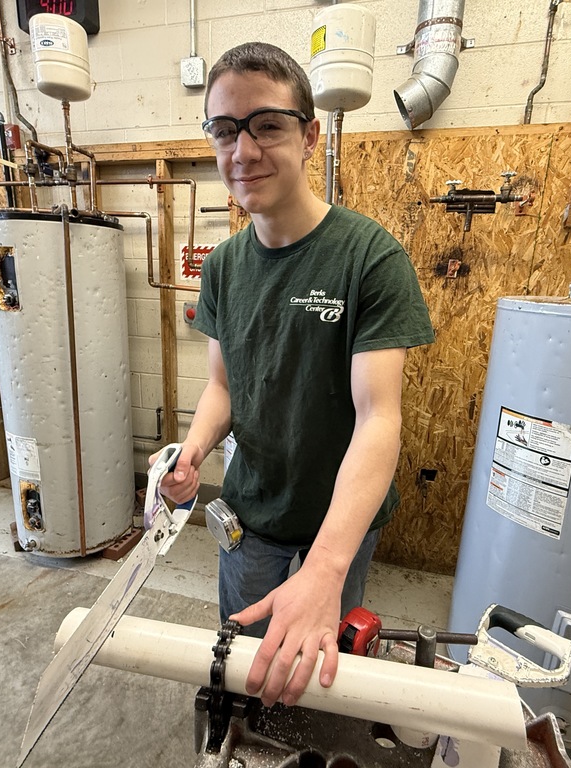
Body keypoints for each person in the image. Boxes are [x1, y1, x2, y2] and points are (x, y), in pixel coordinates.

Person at [153, 41, 434, 709]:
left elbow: (379, 416)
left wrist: (328, 567)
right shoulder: (222, 266)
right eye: (225, 130)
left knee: (312, 664)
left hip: (338, 524)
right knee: (249, 661)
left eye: (266, 126)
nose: (242, 152)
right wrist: (192, 452)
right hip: (251, 514)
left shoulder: (369, 257)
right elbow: (223, 386)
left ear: (310, 136)